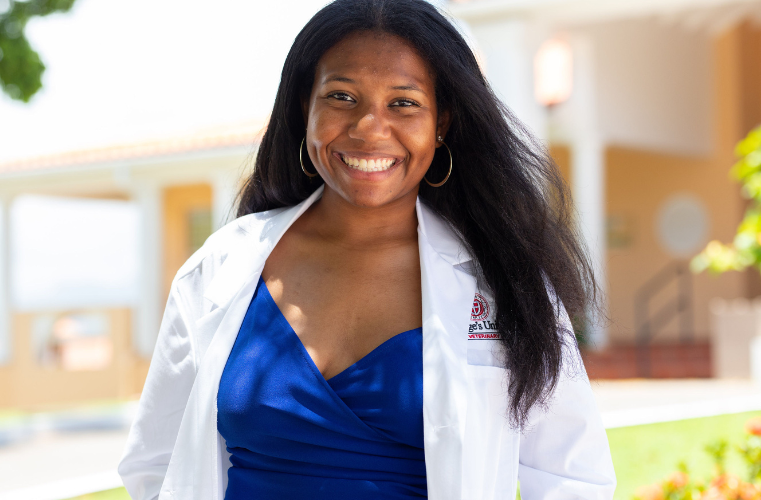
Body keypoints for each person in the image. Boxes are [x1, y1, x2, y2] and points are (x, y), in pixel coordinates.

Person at [118, 0, 616, 498]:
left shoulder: (503, 281)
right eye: (341, 96)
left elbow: (572, 476)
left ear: (442, 122)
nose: (369, 129)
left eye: (403, 103)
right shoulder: (221, 269)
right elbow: (155, 467)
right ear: (304, 108)